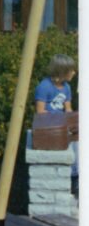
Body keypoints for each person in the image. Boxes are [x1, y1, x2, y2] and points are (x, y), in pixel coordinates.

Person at [35, 54, 78, 195]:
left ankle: (76, 175)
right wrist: (60, 121)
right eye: (71, 70)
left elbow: (68, 108)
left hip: (61, 124)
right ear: (62, 71)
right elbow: (40, 112)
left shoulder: (67, 87)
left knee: (78, 137)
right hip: (48, 127)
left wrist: (73, 121)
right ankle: (74, 176)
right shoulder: (44, 86)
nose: (74, 72)